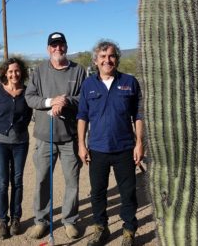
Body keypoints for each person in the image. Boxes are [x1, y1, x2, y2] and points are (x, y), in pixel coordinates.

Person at [77, 39, 144, 246]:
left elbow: (139, 115)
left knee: (128, 194)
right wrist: (81, 144)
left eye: (112, 56)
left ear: (117, 59)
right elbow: (82, 116)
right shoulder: (88, 85)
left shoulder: (130, 82)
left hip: (124, 148)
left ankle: (129, 231)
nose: (108, 60)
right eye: (103, 57)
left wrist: (140, 142)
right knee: (97, 193)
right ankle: (101, 229)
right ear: (95, 60)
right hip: (97, 149)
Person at [25, 32, 86, 240]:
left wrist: (66, 101)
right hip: (45, 137)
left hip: (70, 138)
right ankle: (41, 221)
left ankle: (70, 220)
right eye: (53, 45)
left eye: (60, 45)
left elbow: (84, 99)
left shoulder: (78, 71)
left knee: (72, 182)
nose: (57, 48)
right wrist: (51, 102)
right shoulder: (39, 70)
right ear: (48, 48)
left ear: (66, 47)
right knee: (42, 180)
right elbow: (30, 98)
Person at [0, 57, 33, 239]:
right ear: (5, 72)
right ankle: (2, 221)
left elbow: (28, 116)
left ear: (22, 72)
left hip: (21, 143)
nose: (14, 74)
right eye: (11, 71)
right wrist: (0, 131)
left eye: (17, 71)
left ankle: (15, 219)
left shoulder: (27, 92)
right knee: (3, 181)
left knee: (18, 180)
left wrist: (18, 131)